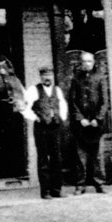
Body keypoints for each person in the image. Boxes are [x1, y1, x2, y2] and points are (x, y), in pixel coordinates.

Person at [67, 51, 108, 194]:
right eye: (84, 61)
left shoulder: (100, 77)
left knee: (97, 155)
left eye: (89, 61)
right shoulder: (76, 79)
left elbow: (105, 101)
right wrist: (80, 119)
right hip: (81, 124)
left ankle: (99, 183)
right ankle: (80, 184)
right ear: (80, 63)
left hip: (96, 123)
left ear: (94, 62)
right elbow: (72, 101)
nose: (87, 64)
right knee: (80, 156)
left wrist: (98, 118)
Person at [24, 65, 68, 199]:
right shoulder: (33, 90)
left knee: (57, 158)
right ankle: (46, 191)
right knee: (43, 159)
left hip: (55, 127)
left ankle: (56, 189)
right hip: (41, 128)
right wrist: (35, 117)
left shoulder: (57, 90)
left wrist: (61, 117)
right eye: (44, 75)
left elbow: (63, 106)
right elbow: (24, 107)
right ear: (41, 77)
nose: (47, 78)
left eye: (49, 75)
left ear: (52, 76)